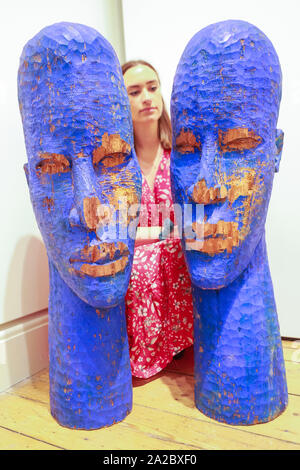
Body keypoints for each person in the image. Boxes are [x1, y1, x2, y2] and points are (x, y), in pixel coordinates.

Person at [122, 60, 194, 379]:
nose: (147, 97)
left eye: (152, 88)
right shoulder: (117, 163)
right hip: (138, 255)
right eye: (134, 92)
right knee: (140, 266)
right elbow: (120, 231)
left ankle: (182, 341)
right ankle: (146, 351)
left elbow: (191, 221)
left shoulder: (179, 153)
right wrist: (167, 229)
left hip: (180, 249)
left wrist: (156, 231)